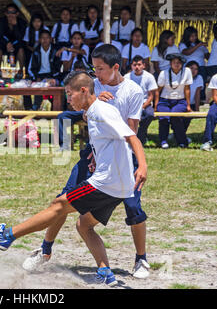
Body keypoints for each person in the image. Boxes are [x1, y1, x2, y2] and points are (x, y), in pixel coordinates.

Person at [0, 71, 147, 286]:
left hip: (105, 182)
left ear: (83, 91)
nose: (68, 100)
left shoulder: (102, 111)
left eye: (70, 94)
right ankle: (105, 272)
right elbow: (110, 142)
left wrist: (142, 165)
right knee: (84, 225)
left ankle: (7, 235)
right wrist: (98, 158)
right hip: (119, 187)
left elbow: (131, 136)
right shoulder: (93, 112)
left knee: (59, 204)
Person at [22, 45, 150, 280]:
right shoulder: (92, 85)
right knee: (64, 198)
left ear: (115, 68)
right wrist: (93, 105)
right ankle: (45, 250)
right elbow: (84, 113)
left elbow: (131, 130)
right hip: (92, 154)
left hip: (121, 156)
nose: (96, 74)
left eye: (100, 69)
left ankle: (141, 258)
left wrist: (102, 108)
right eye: (94, 68)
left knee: (134, 208)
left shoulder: (133, 90)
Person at [155, 53, 193, 149]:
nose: (176, 64)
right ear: (170, 63)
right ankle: (163, 140)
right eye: (174, 62)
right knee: (164, 118)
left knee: (175, 116)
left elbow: (187, 89)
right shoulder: (163, 73)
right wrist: (155, 105)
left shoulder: (187, 71)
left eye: (179, 63)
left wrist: (188, 105)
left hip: (180, 101)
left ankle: (182, 141)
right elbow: (157, 91)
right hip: (165, 101)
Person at [124, 55, 158, 145]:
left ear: (144, 65)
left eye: (139, 65)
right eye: (134, 65)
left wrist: (143, 106)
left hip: (145, 103)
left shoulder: (149, 77)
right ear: (131, 66)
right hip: (130, 103)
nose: (137, 67)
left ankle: (141, 135)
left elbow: (151, 96)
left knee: (149, 114)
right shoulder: (126, 77)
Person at [25, 30, 62, 110]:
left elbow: (59, 68)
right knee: (26, 85)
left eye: (47, 38)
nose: (45, 40)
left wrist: (53, 78)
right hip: (39, 76)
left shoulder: (56, 50)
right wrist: (35, 78)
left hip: (52, 75)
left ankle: (55, 110)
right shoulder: (36, 51)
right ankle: (30, 109)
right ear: (39, 39)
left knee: (56, 87)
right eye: (42, 38)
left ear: (50, 39)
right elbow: (30, 68)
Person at [56, 61, 89, 150]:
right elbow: (69, 103)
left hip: (89, 111)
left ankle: (89, 142)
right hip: (77, 112)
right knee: (61, 116)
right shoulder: (71, 85)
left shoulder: (91, 82)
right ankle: (63, 144)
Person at [0, 4, 27, 79]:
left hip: (16, 42)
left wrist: (15, 25)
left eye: (13, 12)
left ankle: (20, 71)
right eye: (8, 12)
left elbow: (20, 37)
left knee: (21, 49)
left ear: (17, 13)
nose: (11, 15)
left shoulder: (22, 22)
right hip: (4, 42)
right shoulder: (2, 21)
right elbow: (0, 35)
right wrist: (7, 43)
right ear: (5, 13)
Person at [183, 61, 203, 133]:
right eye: (191, 68)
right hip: (182, 102)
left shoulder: (199, 78)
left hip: (192, 104)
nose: (193, 71)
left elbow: (197, 94)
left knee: (187, 118)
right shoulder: (182, 77)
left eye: (196, 69)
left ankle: (181, 134)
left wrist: (197, 110)